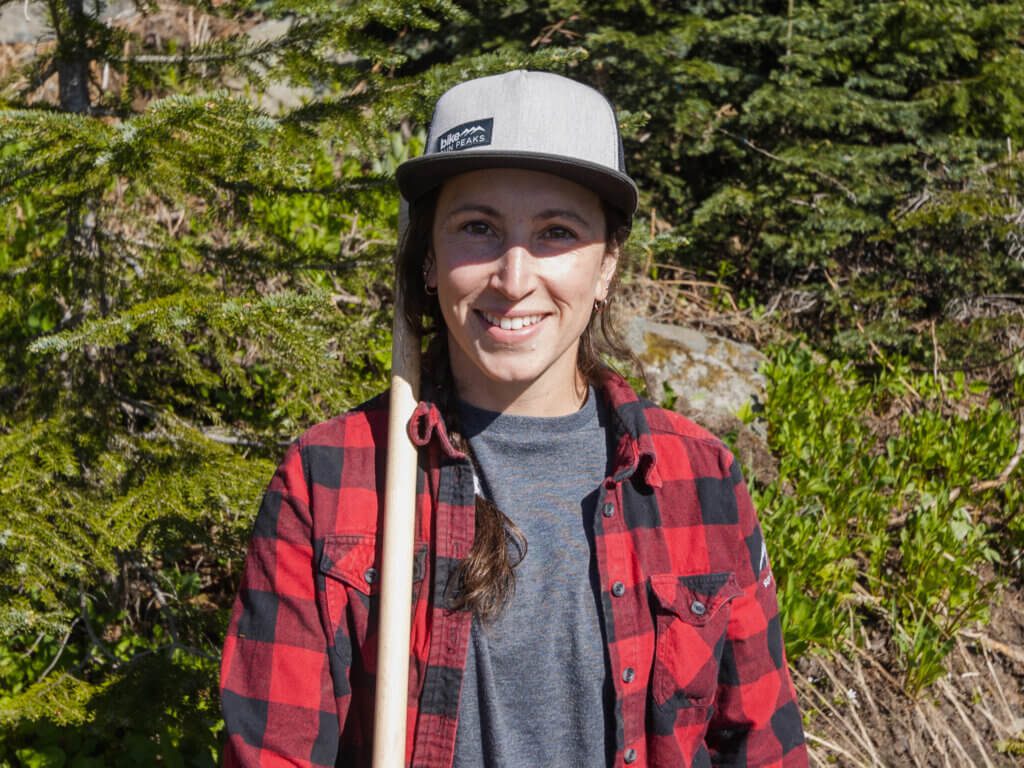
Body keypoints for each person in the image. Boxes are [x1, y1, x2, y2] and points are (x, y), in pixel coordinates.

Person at [220, 69, 807, 768]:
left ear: (608, 265)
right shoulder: (330, 480)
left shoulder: (697, 478)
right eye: (478, 228)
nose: (514, 276)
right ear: (430, 259)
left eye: (557, 232)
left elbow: (764, 749)